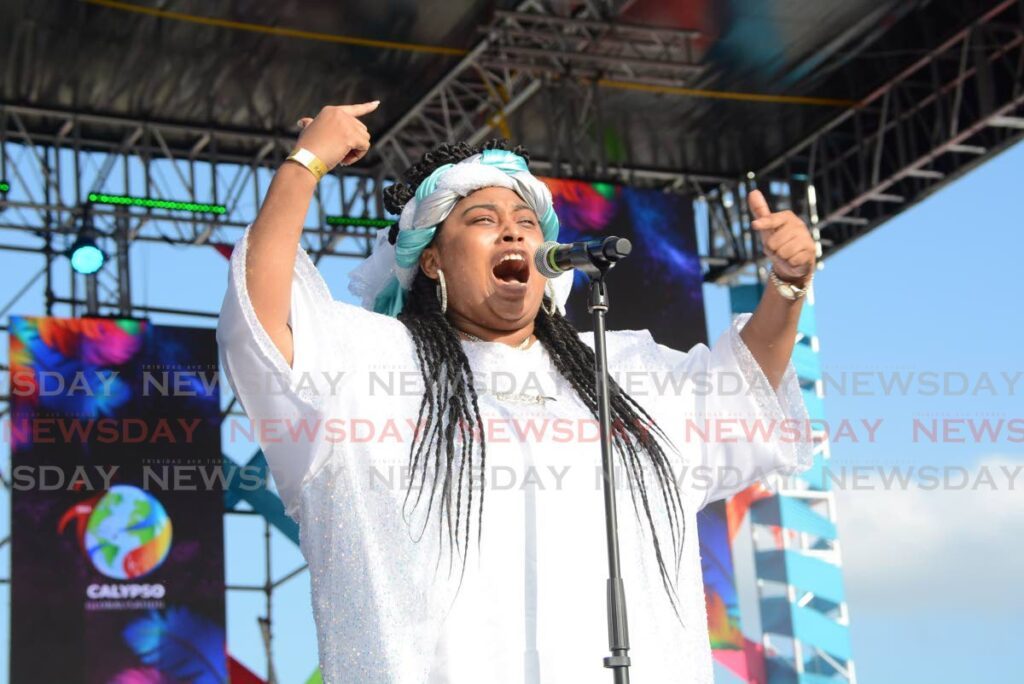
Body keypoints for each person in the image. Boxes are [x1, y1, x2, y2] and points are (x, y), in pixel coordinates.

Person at [216, 101, 815, 683]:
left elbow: (744, 397)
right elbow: (264, 326)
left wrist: (786, 289)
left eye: (526, 223)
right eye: (482, 220)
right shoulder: (375, 365)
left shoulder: (623, 372)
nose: (512, 231)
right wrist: (306, 164)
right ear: (430, 261)